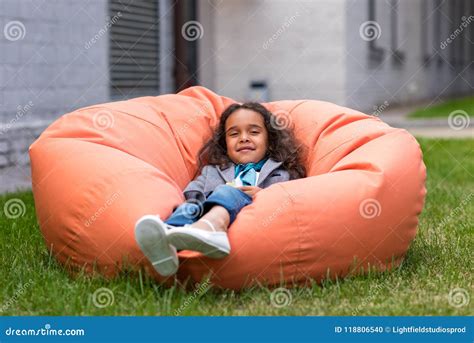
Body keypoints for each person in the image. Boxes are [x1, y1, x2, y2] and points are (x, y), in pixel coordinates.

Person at [134, 102, 306, 276]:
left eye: (254, 132)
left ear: (270, 141)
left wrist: (263, 195)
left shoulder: (282, 173)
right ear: (225, 144)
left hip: (251, 218)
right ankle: (166, 239)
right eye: (234, 134)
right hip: (207, 209)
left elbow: (292, 202)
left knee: (229, 191)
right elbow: (192, 193)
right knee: (189, 207)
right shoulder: (212, 171)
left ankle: (211, 228)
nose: (244, 138)